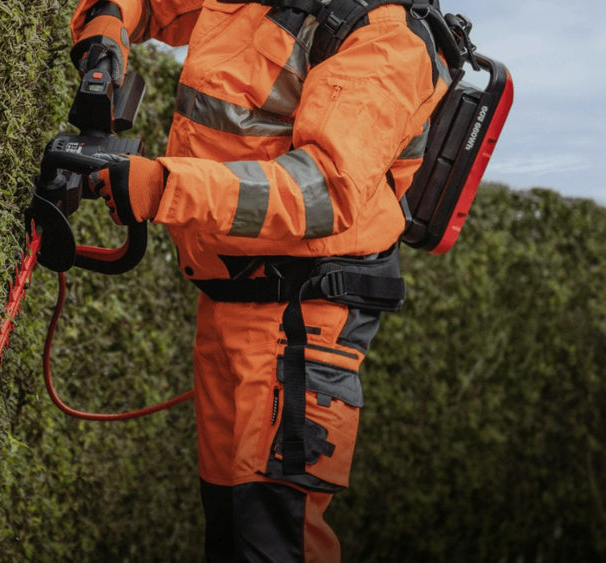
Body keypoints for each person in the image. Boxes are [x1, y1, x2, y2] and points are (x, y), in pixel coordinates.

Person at [68, 0, 447, 560]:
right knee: (230, 531)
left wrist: (161, 186)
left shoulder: (385, 36)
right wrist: (106, 28)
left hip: (299, 321)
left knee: (272, 540)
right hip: (232, 302)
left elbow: (321, 191)